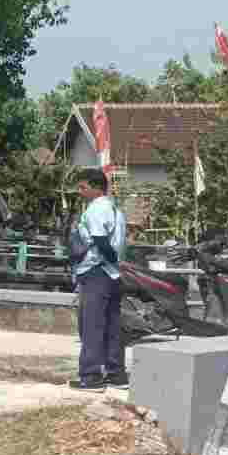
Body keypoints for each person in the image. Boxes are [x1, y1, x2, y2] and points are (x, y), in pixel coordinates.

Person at [69, 167, 127, 390]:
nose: (80, 192)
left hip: (96, 271)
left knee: (91, 325)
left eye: (83, 187)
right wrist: (115, 263)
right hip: (112, 274)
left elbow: (101, 241)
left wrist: (110, 259)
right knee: (112, 325)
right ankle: (116, 374)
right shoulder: (115, 210)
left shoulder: (96, 209)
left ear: (95, 188)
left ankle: (91, 376)